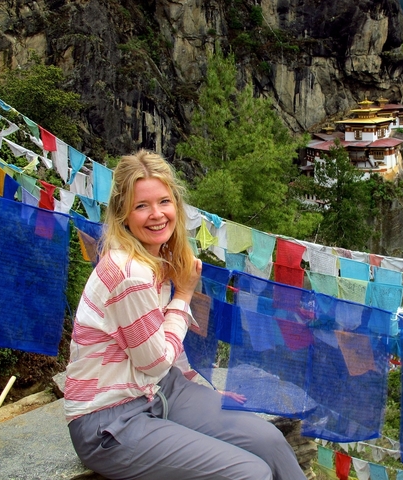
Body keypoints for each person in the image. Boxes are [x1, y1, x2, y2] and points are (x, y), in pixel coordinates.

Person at [64, 150, 306, 480]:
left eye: (164, 202)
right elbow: (154, 361)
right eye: (141, 206)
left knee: (270, 441)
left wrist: (197, 386)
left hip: (164, 389)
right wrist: (184, 296)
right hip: (110, 420)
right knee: (250, 473)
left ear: (176, 204)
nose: (156, 215)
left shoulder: (159, 256)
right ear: (122, 213)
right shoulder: (129, 272)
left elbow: (162, 348)